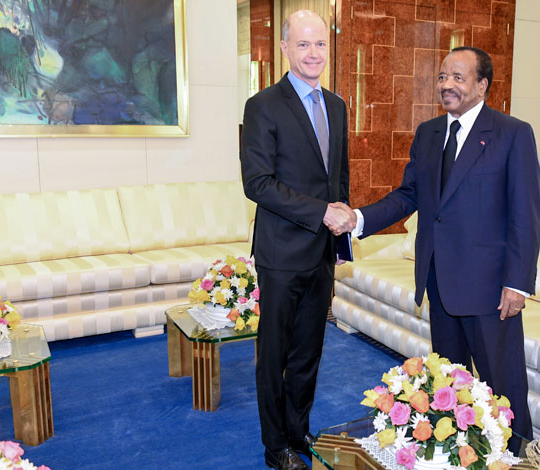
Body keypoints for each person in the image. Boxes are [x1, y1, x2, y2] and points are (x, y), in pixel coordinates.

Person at [352, 46, 540, 448]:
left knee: (503, 387)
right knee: (451, 386)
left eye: (458, 77)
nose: (447, 85)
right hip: (439, 283)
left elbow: (525, 216)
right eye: (442, 77)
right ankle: (464, 451)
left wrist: (518, 284)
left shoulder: (512, 134)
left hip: (491, 289)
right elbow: (408, 196)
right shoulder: (429, 133)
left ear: (482, 85)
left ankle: (517, 455)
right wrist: (359, 219)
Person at [240, 10, 356, 470]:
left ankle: (297, 430)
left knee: (310, 350)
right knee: (275, 355)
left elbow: (338, 179)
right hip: (281, 253)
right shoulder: (263, 104)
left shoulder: (338, 105)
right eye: (303, 45)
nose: (314, 54)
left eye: (321, 45)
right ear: (285, 49)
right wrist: (320, 212)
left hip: (322, 253)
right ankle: (275, 447)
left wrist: (340, 230)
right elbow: (258, 183)